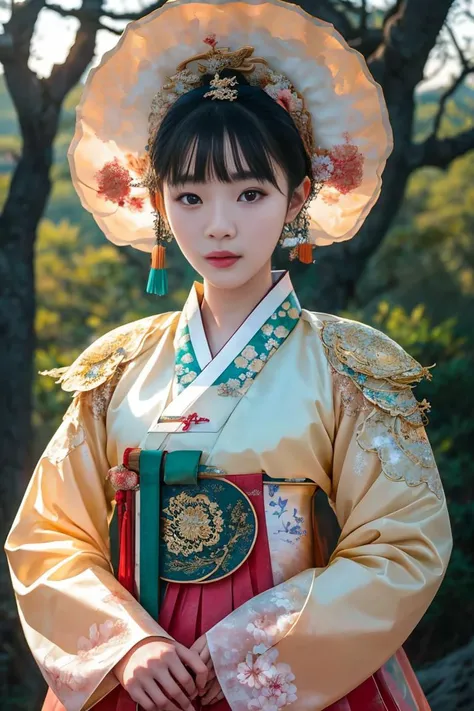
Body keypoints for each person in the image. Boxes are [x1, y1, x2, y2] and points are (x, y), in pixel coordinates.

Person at [5, 1, 452, 710]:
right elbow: (48, 535)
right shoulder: (116, 369)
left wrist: (250, 646)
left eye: (250, 192)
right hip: (144, 679)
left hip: (300, 679)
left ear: (297, 196)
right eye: (189, 195)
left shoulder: (353, 366)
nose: (218, 224)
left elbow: (402, 544)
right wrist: (128, 644)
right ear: (157, 204)